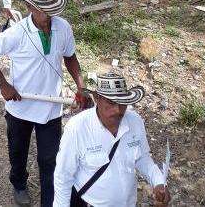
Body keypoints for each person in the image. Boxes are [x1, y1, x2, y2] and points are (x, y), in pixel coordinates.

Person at [0, 0, 87, 207]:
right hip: (21, 107)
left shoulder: (63, 27)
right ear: (29, 8)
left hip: (51, 108)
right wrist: (3, 85)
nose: (47, 15)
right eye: (42, 9)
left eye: (50, 9)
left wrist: (80, 86)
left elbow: (70, 57)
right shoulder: (17, 33)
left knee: (50, 162)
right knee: (18, 155)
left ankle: (49, 202)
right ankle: (19, 183)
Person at [54, 73, 170, 207]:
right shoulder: (77, 128)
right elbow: (63, 176)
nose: (118, 110)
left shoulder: (135, 121)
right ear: (97, 98)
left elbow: (142, 157)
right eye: (111, 102)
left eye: (123, 103)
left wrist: (158, 182)